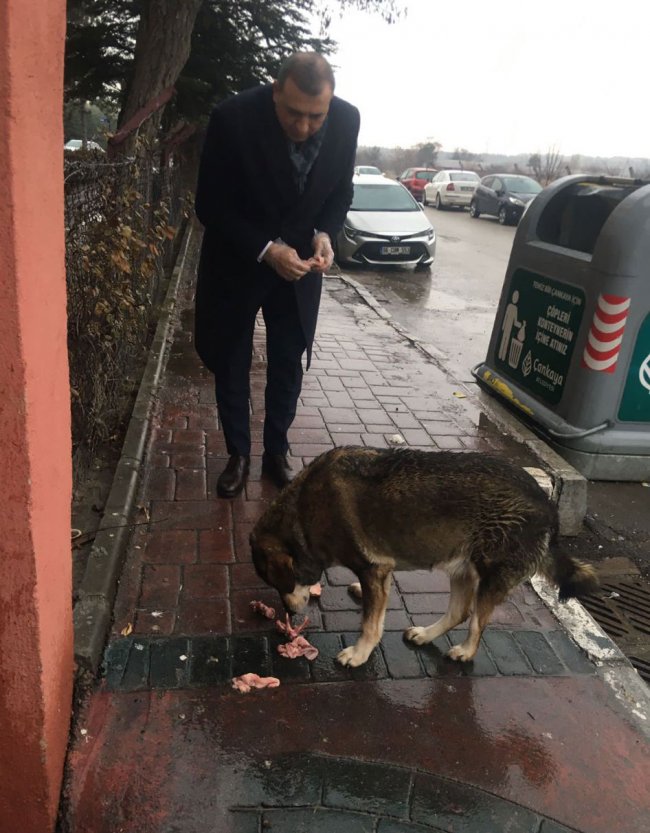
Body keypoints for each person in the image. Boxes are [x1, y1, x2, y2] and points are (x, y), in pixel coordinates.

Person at [194, 52, 360, 498]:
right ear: (275, 92)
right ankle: (238, 454)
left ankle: (276, 452)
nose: (304, 126)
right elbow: (210, 204)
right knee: (232, 358)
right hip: (238, 259)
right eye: (293, 113)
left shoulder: (347, 120)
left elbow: (341, 192)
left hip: (302, 265)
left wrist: (324, 233)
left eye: (315, 117)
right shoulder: (232, 118)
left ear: (330, 103)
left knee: (288, 360)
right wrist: (267, 249)